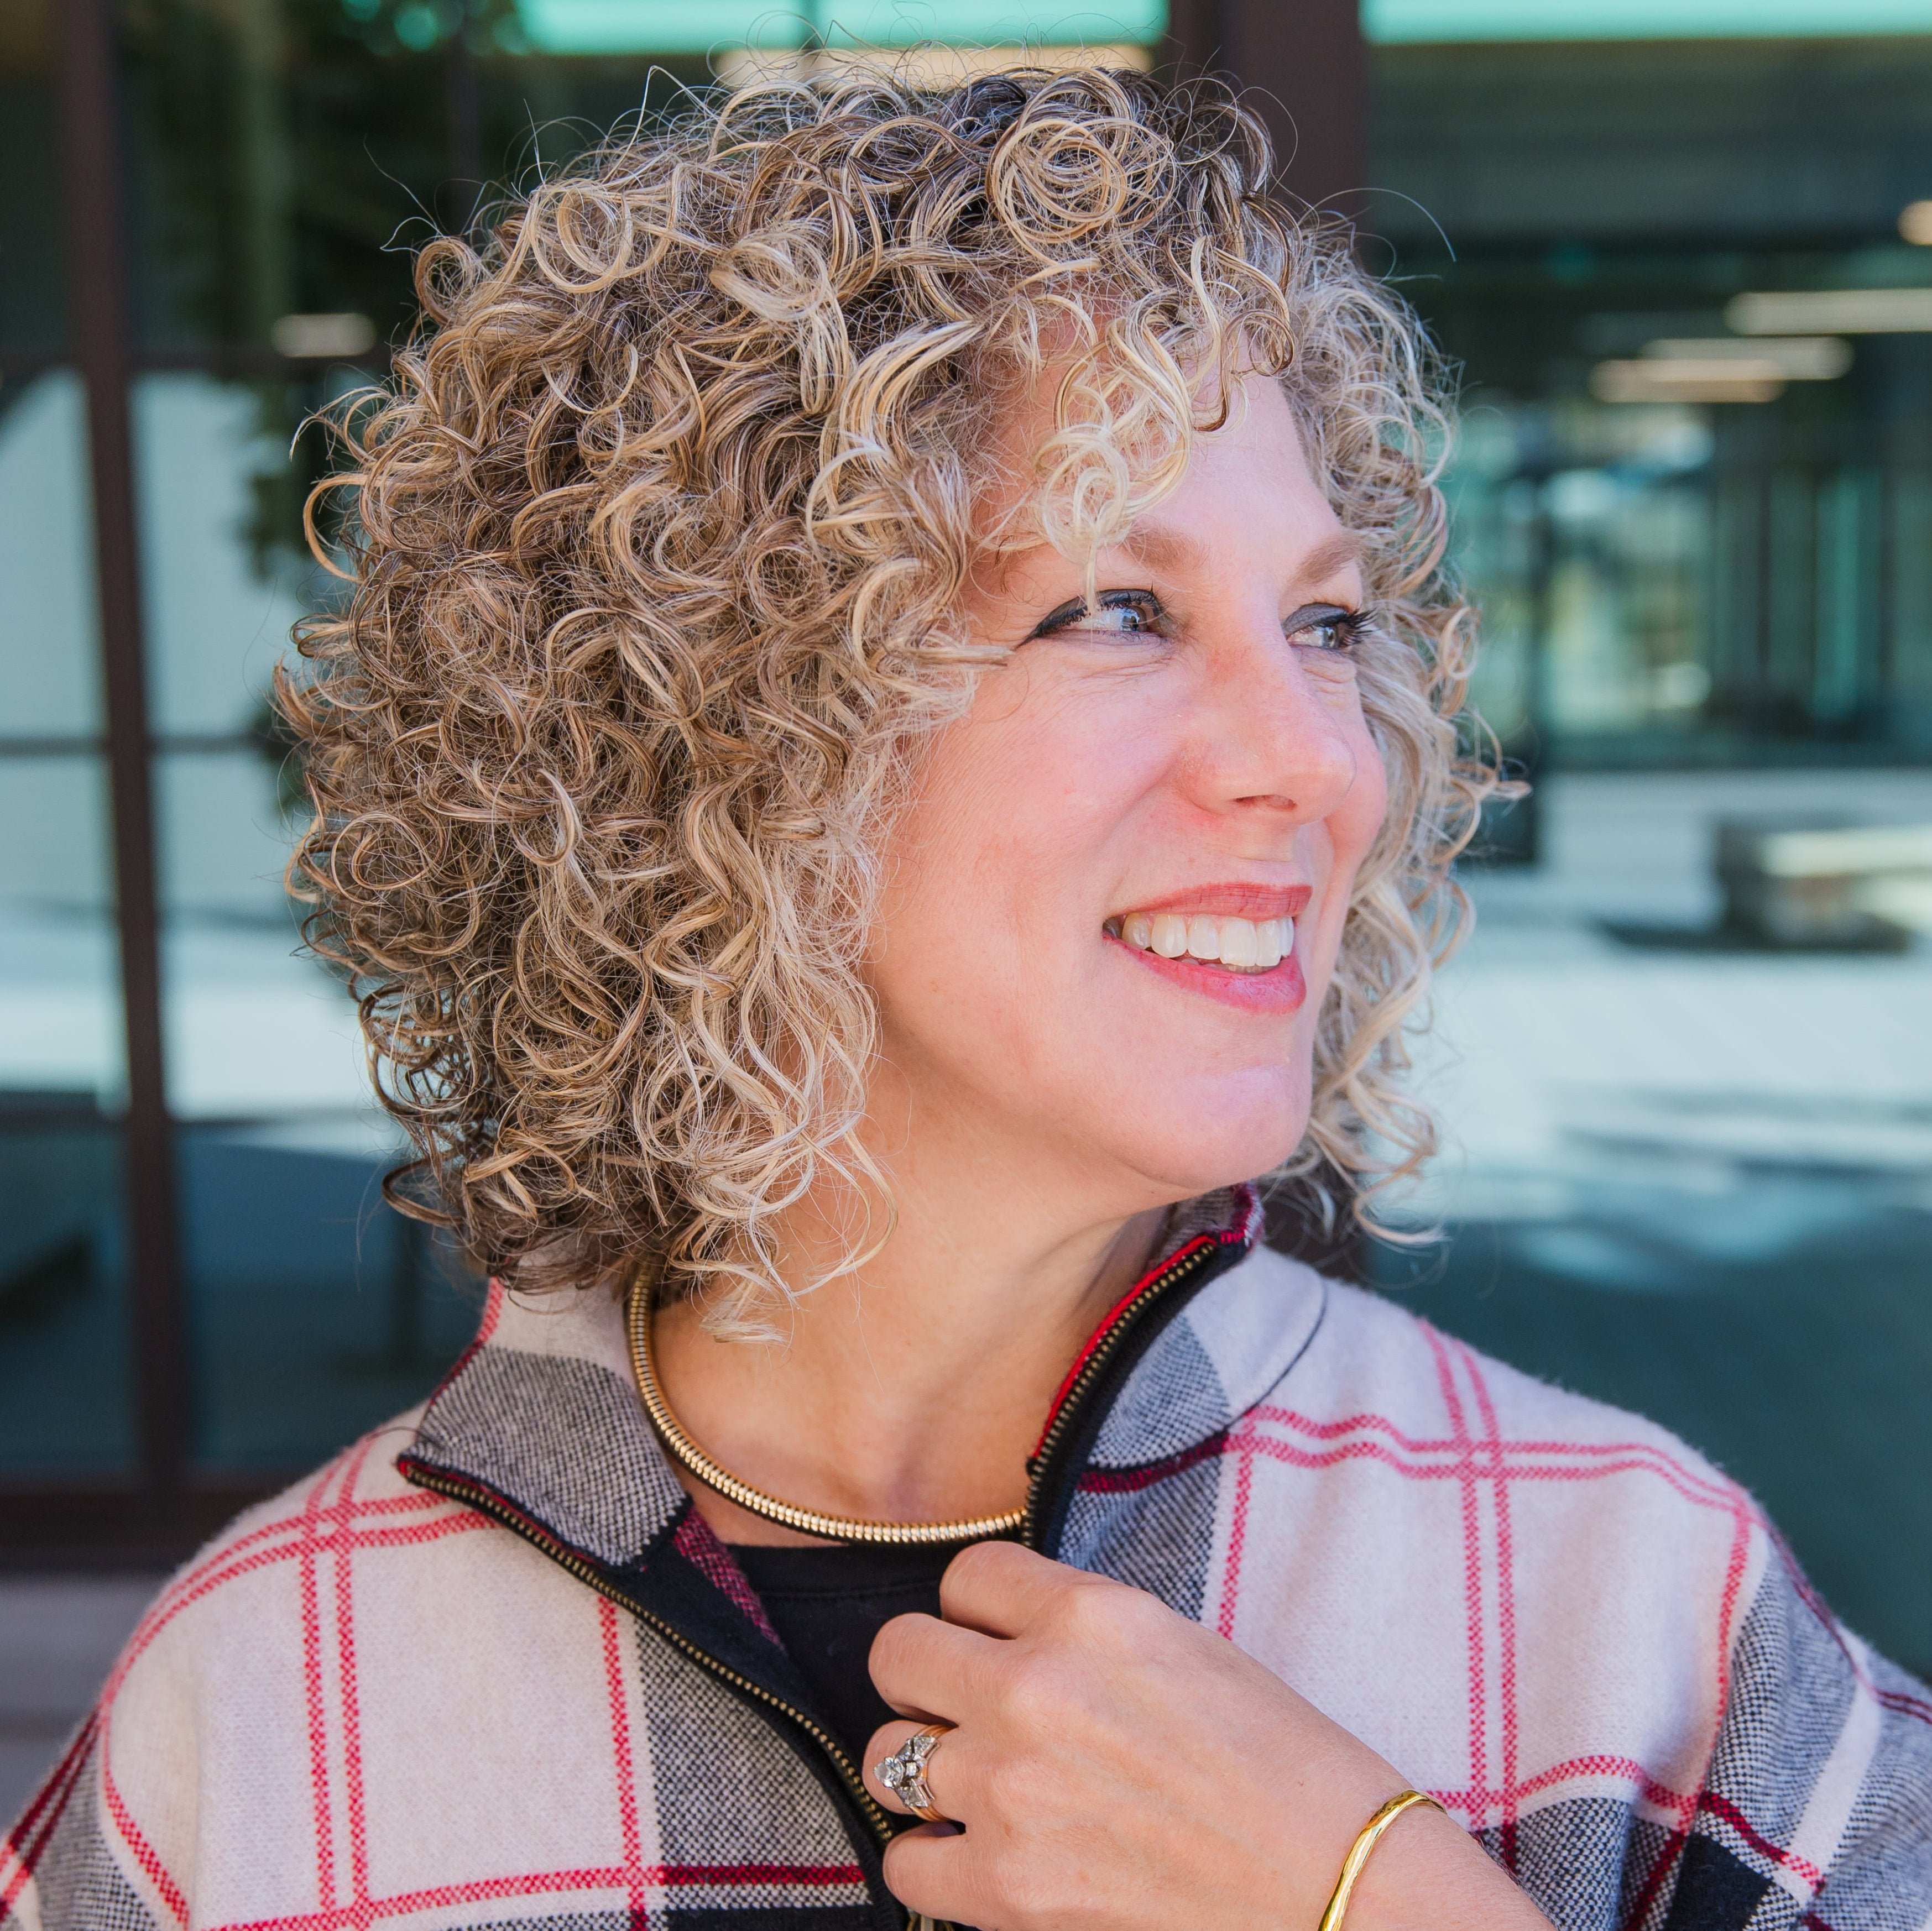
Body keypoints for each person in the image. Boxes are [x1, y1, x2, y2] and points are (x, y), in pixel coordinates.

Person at [4, 66, 1926, 1931]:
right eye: (1117, 608)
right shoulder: (264, 1724)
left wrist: (1374, 1902)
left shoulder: (1627, 1602)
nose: (1320, 760)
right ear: (716, 737)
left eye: (1328, 623)